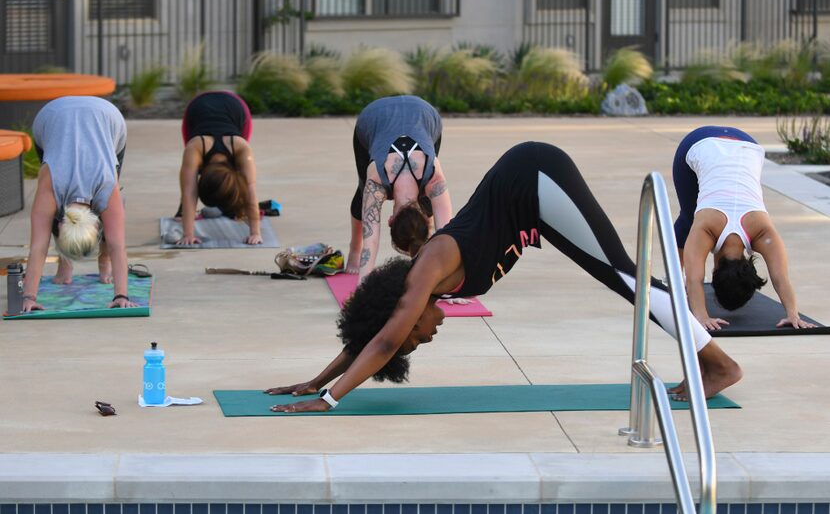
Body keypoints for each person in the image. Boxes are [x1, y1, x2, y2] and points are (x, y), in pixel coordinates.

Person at [266, 142, 743, 411]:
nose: (424, 340)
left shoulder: (426, 272)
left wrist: (328, 399)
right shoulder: (420, 288)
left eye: (416, 339)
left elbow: (385, 341)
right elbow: (374, 335)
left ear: (405, 316)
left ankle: (718, 364)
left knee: (624, 277)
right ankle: (709, 361)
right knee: (622, 278)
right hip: (533, 204)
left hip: (535, 177)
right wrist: (315, 378)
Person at [672, 126, 815, 331]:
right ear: (715, 270)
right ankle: (674, 278)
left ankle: (674, 279)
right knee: (689, 217)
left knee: (691, 219)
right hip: (700, 143)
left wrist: (793, 314)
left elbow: (780, 277)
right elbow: (694, 279)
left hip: (747, 144)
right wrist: (702, 317)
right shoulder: (706, 228)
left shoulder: (762, 231)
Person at [21, 96, 137, 313]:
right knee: (112, 217)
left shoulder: (106, 184)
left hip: (106, 117)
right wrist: (28, 296)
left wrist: (121, 294)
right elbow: (39, 247)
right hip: (52, 117)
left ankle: (105, 264)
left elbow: (117, 245)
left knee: (113, 215)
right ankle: (64, 265)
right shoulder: (50, 183)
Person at [346, 95, 452, 281]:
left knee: (427, 200)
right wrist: (452, 289)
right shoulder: (376, 181)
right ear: (390, 220)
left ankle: (421, 257)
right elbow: (448, 236)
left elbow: (447, 238)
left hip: (424, 113)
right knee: (362, 193)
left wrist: (451, 288)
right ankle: (353, 248)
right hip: (374, 117)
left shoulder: (434, 177)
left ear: (390, 220)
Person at [177, 90, 261, 245]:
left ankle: (233, 204)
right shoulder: (195, 147)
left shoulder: (242, 148)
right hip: (197, 107)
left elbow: (250, 189)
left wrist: (255, 232)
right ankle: (183, 212)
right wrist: (188, 234)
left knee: (245, 178)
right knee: (188, 175)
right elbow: (189, 191)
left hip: (236, 107)